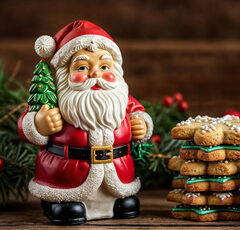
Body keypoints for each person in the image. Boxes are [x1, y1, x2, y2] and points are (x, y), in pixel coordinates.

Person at [17, 20, 153, 225]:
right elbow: (26, 124)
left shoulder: (120, 99)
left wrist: (142, 124)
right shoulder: (56, 100)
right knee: (69, 209)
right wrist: (38, 124)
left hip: (118, 171)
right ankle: (59, 204)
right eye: (82, 67)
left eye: (104, 65)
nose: (96, 73)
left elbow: (138, 111)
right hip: (66, 175)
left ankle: (115, 201)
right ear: (64, 74)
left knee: (126, 205)